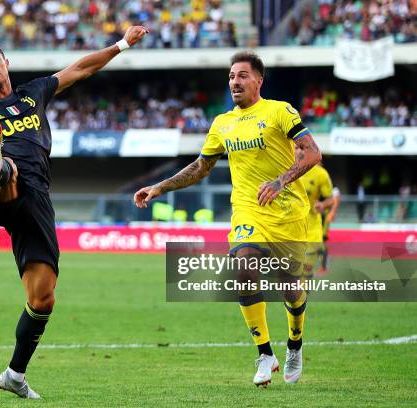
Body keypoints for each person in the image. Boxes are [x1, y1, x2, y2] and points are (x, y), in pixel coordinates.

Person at [0, 26, 148, 399]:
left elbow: (80, 69)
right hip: (0, 193)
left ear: (6, 63)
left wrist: (122, 44)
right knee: (7, 172)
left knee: (43, 299)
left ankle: (14, 374)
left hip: (37, 203)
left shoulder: (33, 93)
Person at [134, 51, 321, 386]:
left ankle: (295, 343)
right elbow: (200, 167)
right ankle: (265, 354)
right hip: (248, 210)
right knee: (243, 266)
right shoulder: (222, 123)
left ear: (259, 80)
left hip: (290, 214)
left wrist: (280, 182)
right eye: (232, 76)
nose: (235, 81)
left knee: (292, 292)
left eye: (243, 75)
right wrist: (159, 187)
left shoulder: (280, 111)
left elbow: (312, 151)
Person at [301, 162, 334, 279]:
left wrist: (323, 205)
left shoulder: (321, 174)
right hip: (288, 225)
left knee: (307, 266)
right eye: (296, 148)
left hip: (312, 226)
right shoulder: (284, 166)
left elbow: (332, 199)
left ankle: (303, 291)